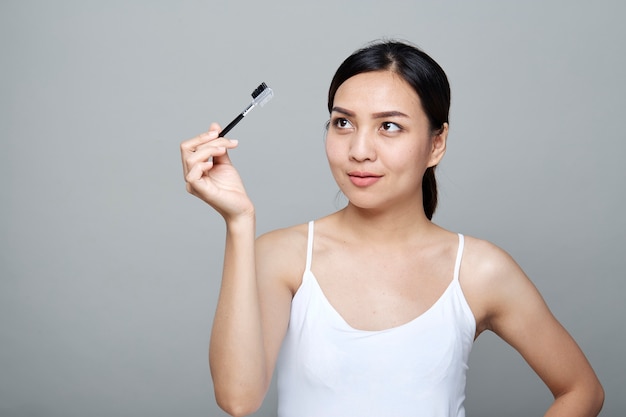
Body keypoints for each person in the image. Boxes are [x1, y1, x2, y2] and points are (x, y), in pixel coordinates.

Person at [180, 40, 604, 417]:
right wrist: (238, 222)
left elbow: (582, 390)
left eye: (389, 126)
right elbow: (238, 400)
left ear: (436, 143)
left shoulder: (478, 269)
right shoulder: (284, 256)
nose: (359, 150)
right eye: (343, 123)